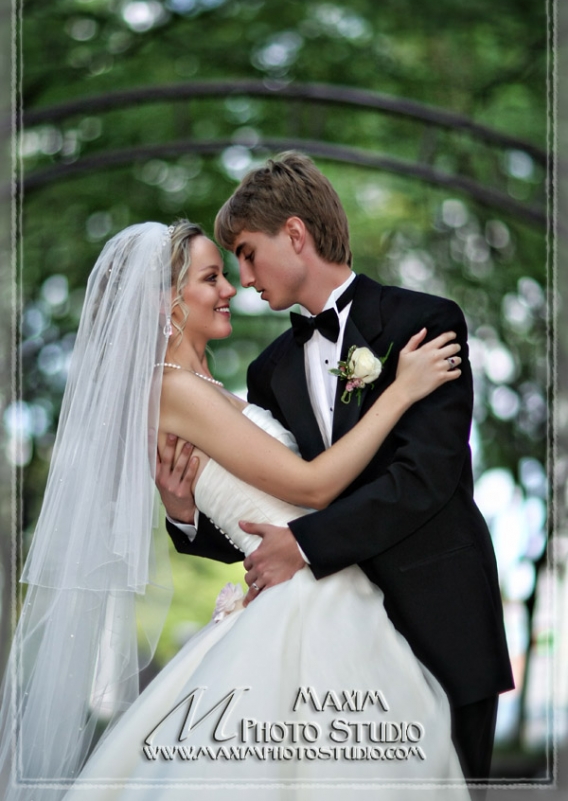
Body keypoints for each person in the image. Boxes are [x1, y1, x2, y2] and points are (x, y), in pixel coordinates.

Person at [0, 219, 468, 800]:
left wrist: (183, 509)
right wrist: (399, 390)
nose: (232, 288)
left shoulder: (217, 389)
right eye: (212, 276)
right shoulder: (173, 389)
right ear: (167, 302)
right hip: (307, 601)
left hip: (321, 584)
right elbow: (312, 487)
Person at [162, 153, 514, 785]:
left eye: (246, 253)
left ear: (295, 235)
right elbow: (270, 513)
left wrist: (304, 544)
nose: (243, 279)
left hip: (440, 619)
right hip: (326, 635)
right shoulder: (268, 370)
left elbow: (425, 480)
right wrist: (185, 516)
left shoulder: (425, 322)